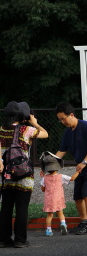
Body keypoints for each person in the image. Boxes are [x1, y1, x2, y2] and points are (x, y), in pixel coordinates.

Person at [0, 102, 48, 248]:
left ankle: (3, 239)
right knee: (22, 208)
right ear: (22, 116)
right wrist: (35, 123)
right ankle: (20, 240)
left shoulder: (1, 130)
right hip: (23, 175)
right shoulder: (27, 130)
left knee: (6, 207)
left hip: (5, 175)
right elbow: (45, 134)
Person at [54, 102, 87, 235]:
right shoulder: (67, 132)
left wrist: (84, 162)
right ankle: (83, 223)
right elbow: (61, 152)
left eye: (63, 118)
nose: (62, 122)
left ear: (71, 115)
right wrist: (48, 164)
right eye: (60, 119)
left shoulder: (86, 126)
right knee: (78, 196)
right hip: (81, 167)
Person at [39, 152, 80, 236]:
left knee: (49, 215)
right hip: (58, 198)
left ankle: (48, 230)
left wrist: (43, 178)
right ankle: (63, 224)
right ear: (57, 166)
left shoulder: (44, 178)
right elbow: (72, 179)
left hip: (49, 200)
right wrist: (78, 172)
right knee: (60, 212)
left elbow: (43, 189)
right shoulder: (61, 176)